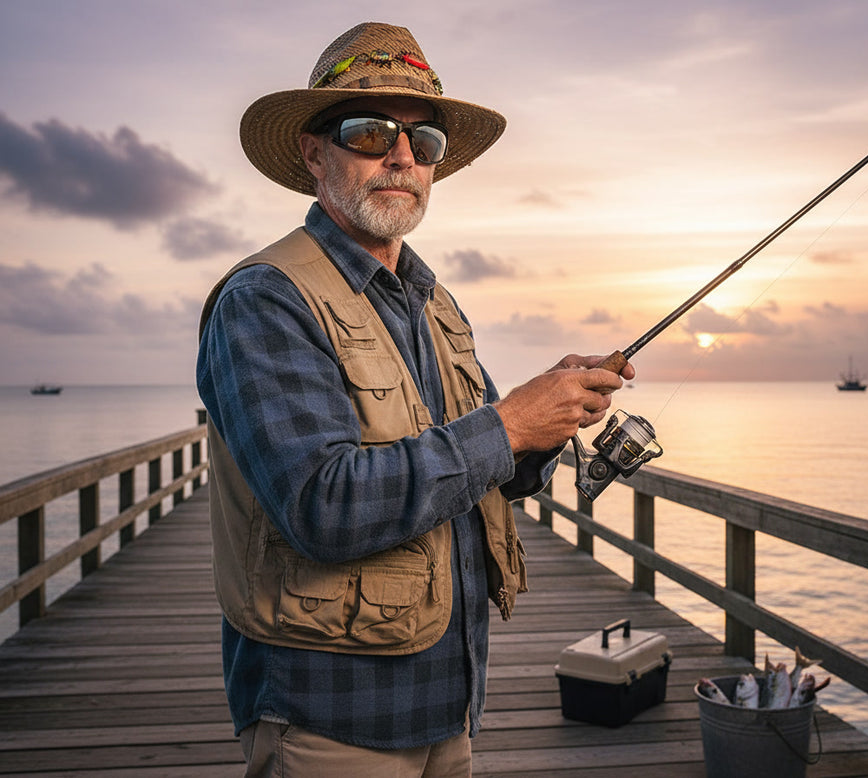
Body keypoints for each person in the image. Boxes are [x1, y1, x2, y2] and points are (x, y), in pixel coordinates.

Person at [196, 21, 634, 777]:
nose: (403, 155)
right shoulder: (264, 300)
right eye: (371, 132)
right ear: (314, 152)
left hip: (452, 705)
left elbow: (486, 459)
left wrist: (550, 418)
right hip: (328, 720)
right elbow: (321, 506)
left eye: (424, 141)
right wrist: (511, 421)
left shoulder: (434, 303)